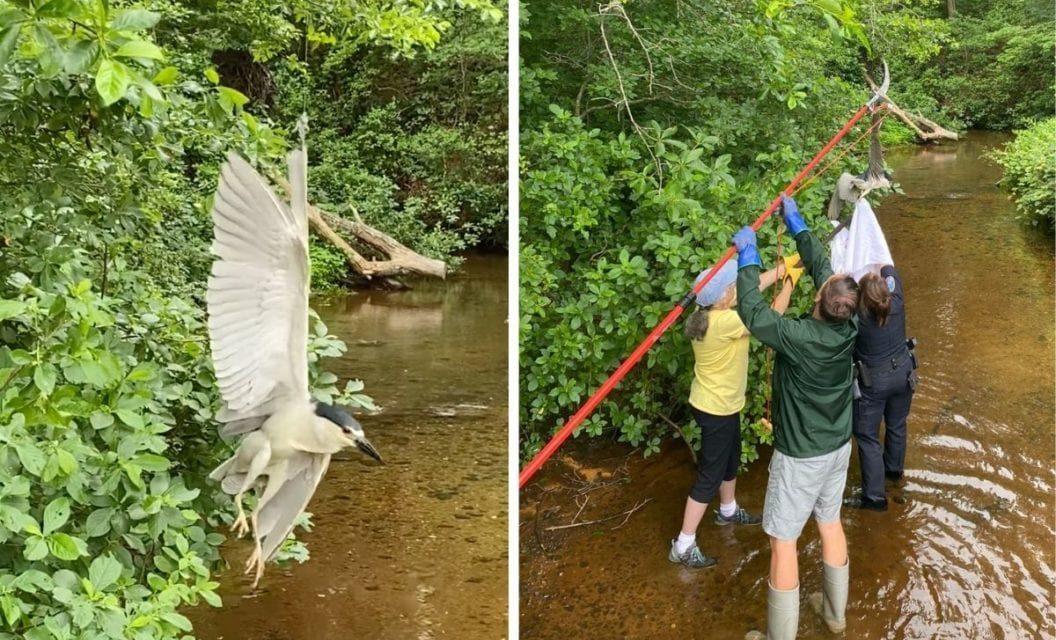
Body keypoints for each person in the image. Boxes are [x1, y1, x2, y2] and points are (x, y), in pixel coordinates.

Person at [733, 195, 859, 640]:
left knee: (782, 540)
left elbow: (752, 312)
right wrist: (799, 227)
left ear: (822, 299)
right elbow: (823, 265)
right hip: (838, 446)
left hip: (802, 455)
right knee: (829, 523)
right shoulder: (850, 323)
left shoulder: (798, 335)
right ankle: (835, 616)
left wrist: (748, 260)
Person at [668, 258, 802, 568]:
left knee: (731, 457)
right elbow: (771, 319)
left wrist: (785, 268)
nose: (739, 288)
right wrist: (790, 284)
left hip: (721, 405)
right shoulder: (725, 321)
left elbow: (752, 287)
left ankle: (727, 510)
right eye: (733, 286)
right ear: (725, 294)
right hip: (715, 409)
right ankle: (684, 544)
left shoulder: (709, 312)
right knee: (710, 474)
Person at [843, 265, 917, 511]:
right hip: (903, 375)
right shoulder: (897, 302)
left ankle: (874, 498)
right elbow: (891, 270)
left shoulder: (856, 320)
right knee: (897, 424)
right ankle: (894, 474)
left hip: (873, 382)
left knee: (867, 437)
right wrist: (880, 269)